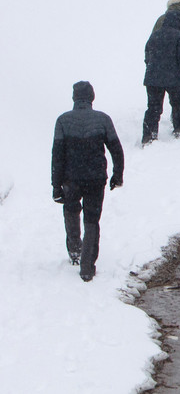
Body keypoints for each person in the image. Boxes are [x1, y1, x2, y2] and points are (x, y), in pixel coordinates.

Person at [52, 81, 124, 282]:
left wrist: (56, 186)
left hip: (71, 178)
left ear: (74, 98)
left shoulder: (63, 121)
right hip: (95, 178)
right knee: (92, 219)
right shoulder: (102, 120)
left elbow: (57, 156)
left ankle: (75, 250)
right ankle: (87, 267)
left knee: (71, 211)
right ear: (92, 97)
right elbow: (116, 150)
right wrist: (117, 175)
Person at [142, 9, 180, 144]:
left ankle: (149, 136)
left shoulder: (154, 35)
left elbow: (147, 55)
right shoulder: (179, 36)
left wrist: (153, 68)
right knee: (178, 104)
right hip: (173, 78)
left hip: (153, 78)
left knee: (153, 108)